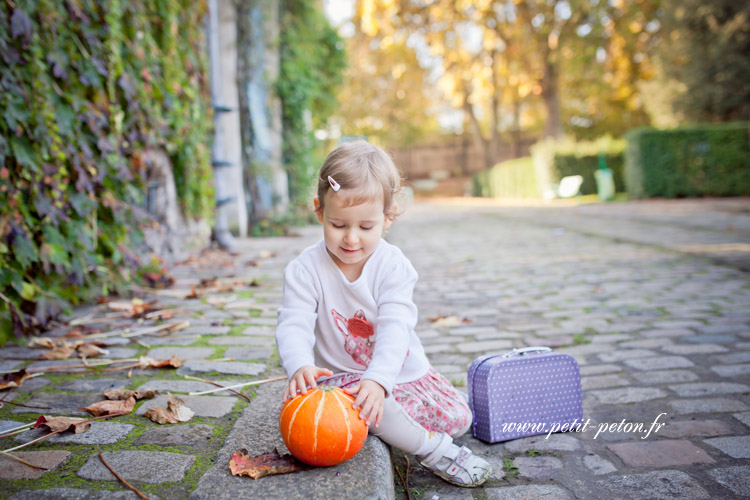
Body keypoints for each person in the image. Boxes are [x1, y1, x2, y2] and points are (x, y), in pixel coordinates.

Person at [275, 140, 491, 487]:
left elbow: (395, 329)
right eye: (338, 224)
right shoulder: (304, 270)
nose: (351, 238)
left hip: (396, 373)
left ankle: (410, 424)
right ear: (319, 211)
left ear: (387, 220)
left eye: (366, 227)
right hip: (342, 380)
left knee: (461, 421)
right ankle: (434, 450)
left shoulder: (392, 266)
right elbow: (293, 322)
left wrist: (379, 379)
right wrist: (299, 363)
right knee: (366, 409)